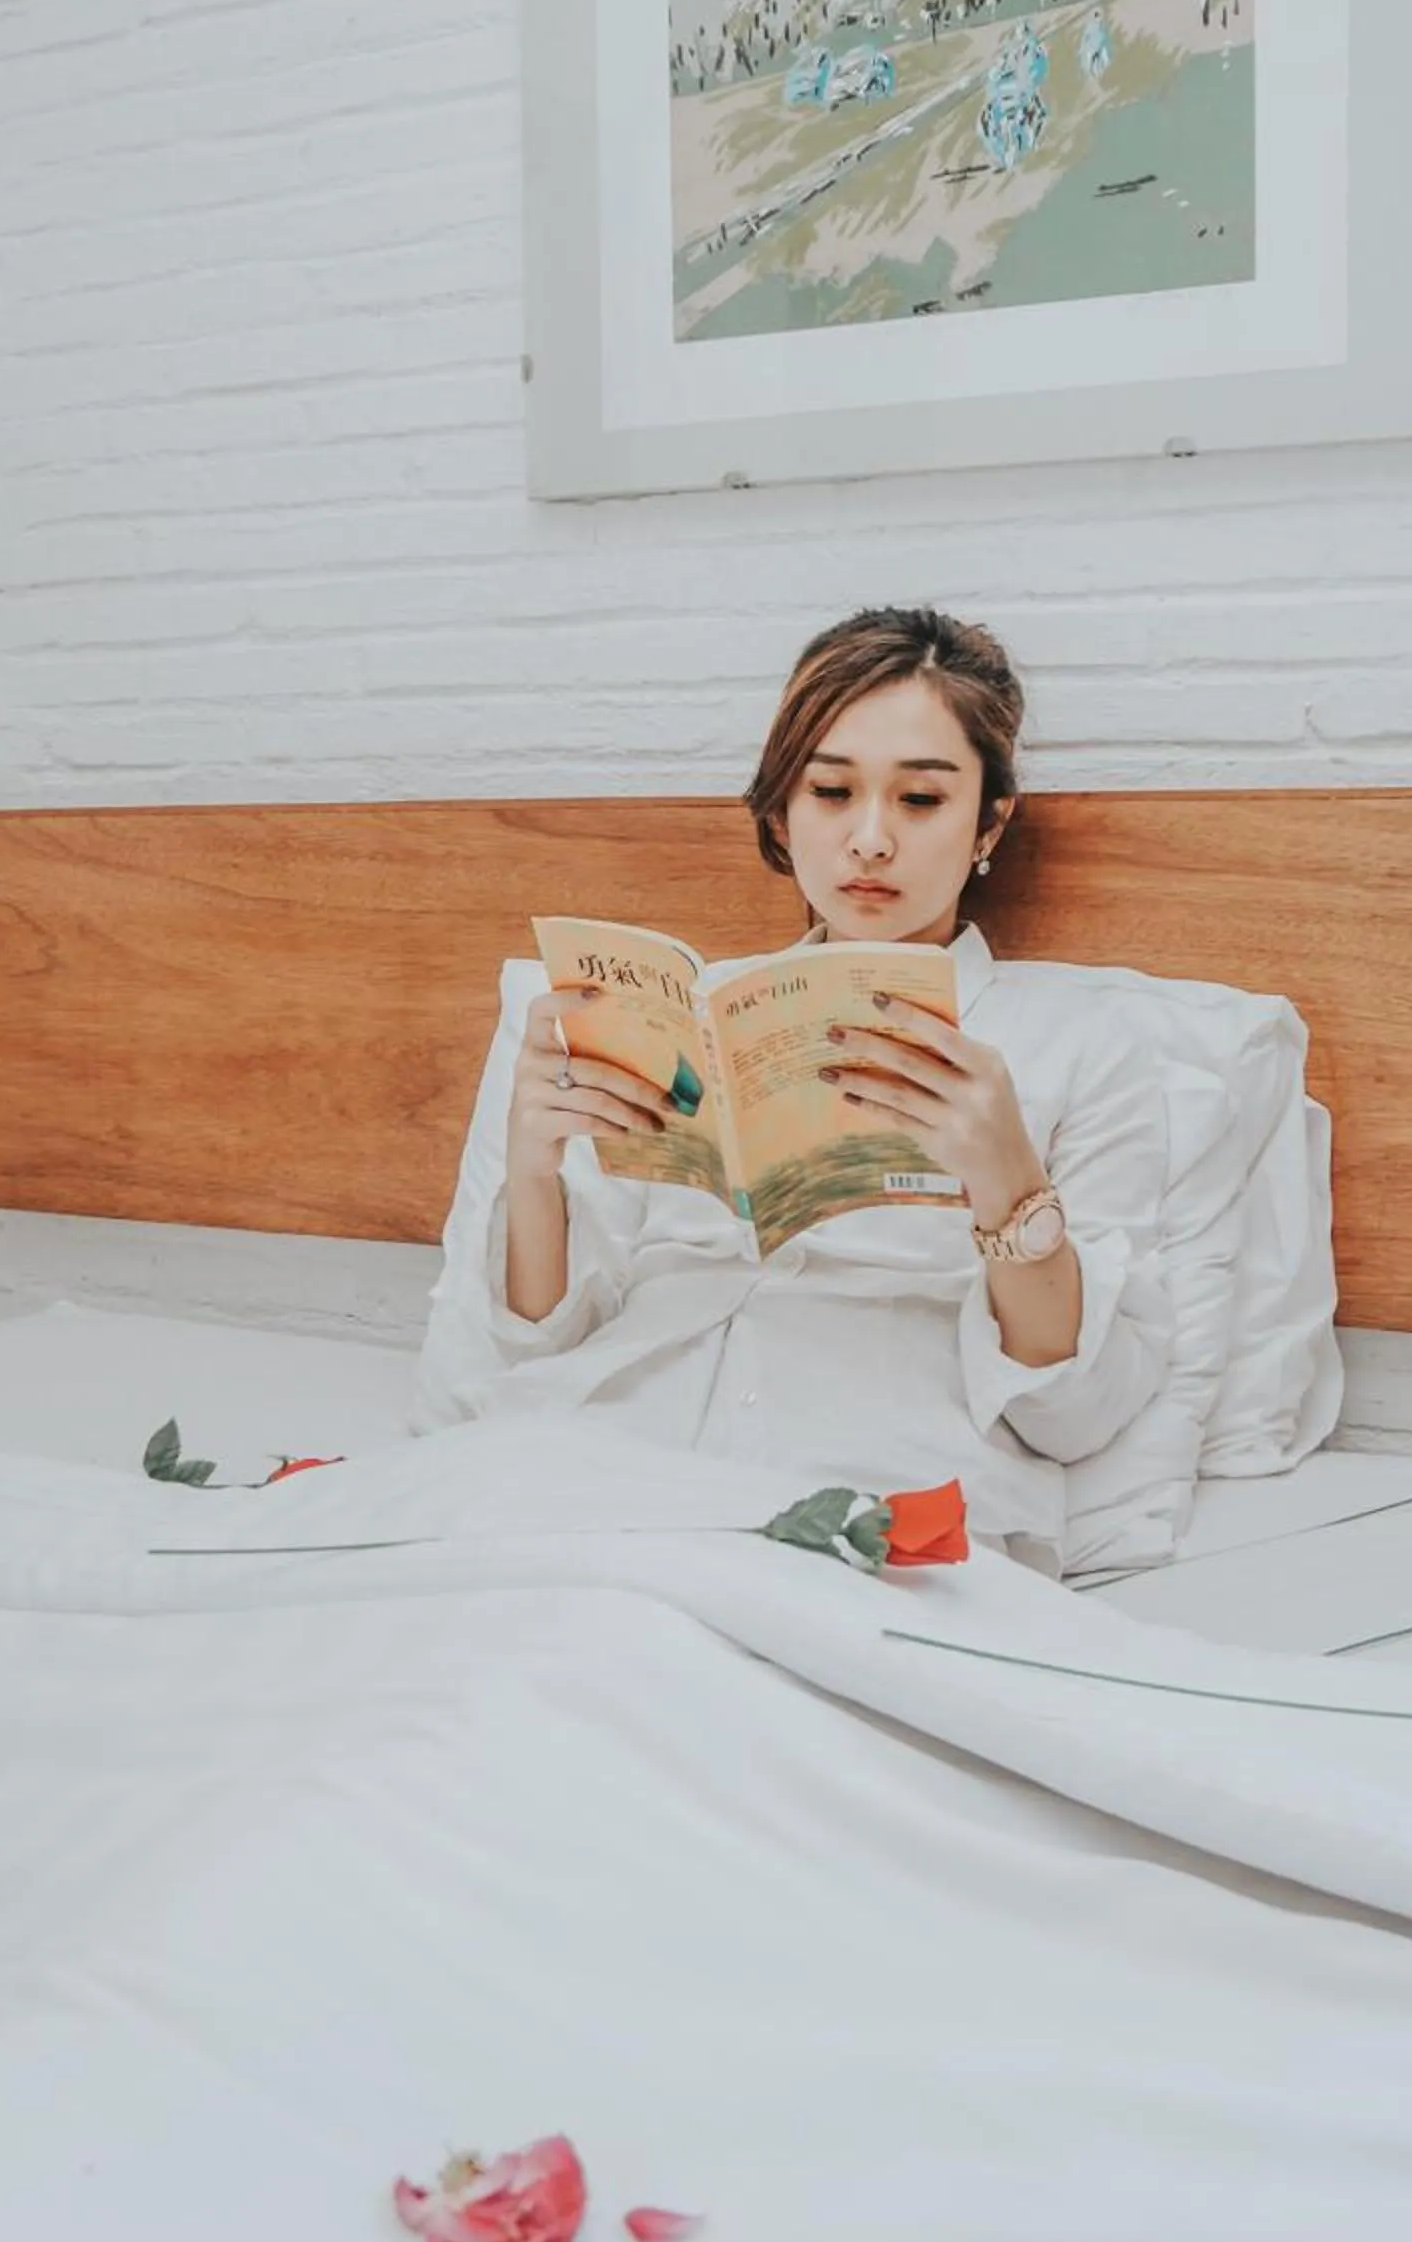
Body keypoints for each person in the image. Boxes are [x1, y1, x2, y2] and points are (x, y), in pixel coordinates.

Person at [413, 609, 1174, 1568]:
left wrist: (1010, 1184)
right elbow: (534, 1345)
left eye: (922, 801)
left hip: (875, 1483)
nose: (869, 841)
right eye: (830, 791)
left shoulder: (1081, 1044)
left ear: (991, 821)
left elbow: (1080, 1412)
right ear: (782, 812)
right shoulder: (689, 1014)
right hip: (595, 1455)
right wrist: (532, 1169)